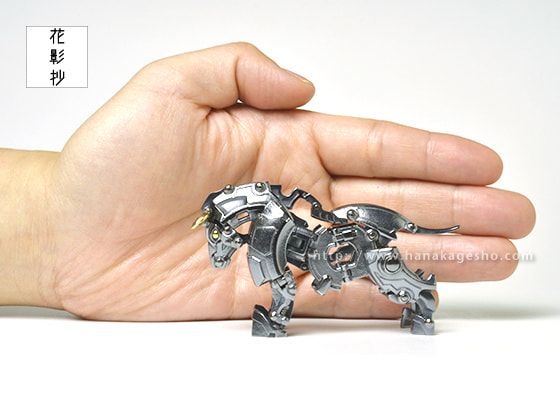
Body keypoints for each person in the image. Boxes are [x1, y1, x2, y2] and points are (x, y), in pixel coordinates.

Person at [0, 42, 535, 321]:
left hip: (319, 241)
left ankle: (417, 299)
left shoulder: (276, 215)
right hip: (292, 227)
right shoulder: (257, 217)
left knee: (373, 268)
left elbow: (290, 211)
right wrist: (53, 221)